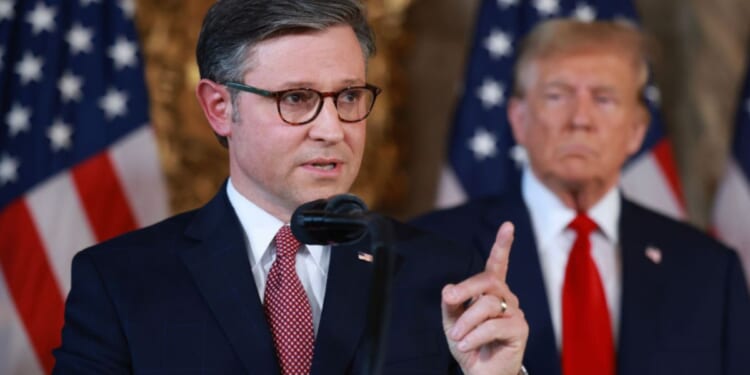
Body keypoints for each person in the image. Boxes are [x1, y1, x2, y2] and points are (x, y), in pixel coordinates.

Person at [52, 1, 529, 374]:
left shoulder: (445, 278)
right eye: (296, 99)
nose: (332, 129)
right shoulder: (119, 282)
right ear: (220, 106)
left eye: (347, 96)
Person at [414, 19, 750, 375]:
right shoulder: (434, 250)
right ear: (518, 118)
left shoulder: (709, 270)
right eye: (557, 96)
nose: (580, 119)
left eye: (603, 99)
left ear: (637, 130)